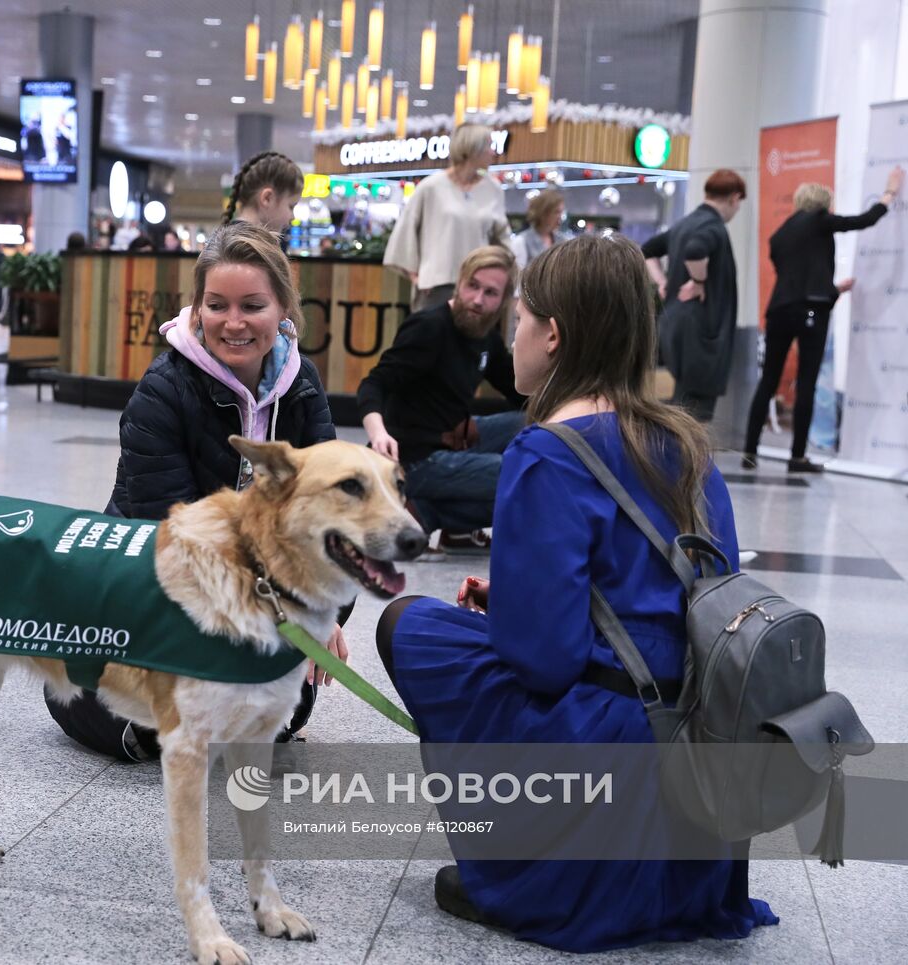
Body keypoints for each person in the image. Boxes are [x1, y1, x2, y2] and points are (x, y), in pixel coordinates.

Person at [375, 235, 777, 951]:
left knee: (411, 625)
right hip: (697, 744)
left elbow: (545, 662)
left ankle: (524, 861)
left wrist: (522, 609)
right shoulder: (688, 445)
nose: (515, 334)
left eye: (521, 316)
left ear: (553, 334)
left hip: (603, 742)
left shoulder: (545, 452)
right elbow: (697, 601)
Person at [44, 221, 345, 762]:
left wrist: (323, 618)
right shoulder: (162, 391)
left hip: (257, 599)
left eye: (252, 305)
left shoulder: (303, 385)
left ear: (283, 310)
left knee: (286, 706)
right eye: (216, 305)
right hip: (156, 585)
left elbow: (335, 516)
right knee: (108, 697)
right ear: (197, 308)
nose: (233, 323)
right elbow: (175, 541)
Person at [358, 245, 526, 546]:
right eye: (472, 286)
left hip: (454, 438)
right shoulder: (429, 328)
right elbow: (374, 383)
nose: (477, 300)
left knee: (534, 422)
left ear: (503, 301)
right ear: (459, 283)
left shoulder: (485, 335)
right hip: (414, 459)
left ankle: (430, 514)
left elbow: (517, 390)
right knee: (524, 476)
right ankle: (425, 511)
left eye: (490, 293)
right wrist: (378, 434)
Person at [743, 166, 903, 472]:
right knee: (807, 384)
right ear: (822, 204)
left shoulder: (781, 234)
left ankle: (749, 453)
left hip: (779, 311)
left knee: (768, 382)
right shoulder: (820, 221)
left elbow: (792, 275)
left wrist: (829, 289)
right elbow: (865, 220)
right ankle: (797, 457)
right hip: (811, 313)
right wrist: (890, 193)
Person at [642, 169, 747, 422]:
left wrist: (662, 283)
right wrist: (699, 281)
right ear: (734, 198)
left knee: (683, 405)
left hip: (678, 324)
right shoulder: (713, 227)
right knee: (692, 415)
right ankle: (681, 461)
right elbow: (695, 250)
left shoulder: (685, 224)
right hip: (700, 331)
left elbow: (647, 249)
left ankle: (675, 460)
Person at [384, 124, 509, 311]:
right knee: (429, 338)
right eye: (489, 145)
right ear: (472, 148)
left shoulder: (493, 190)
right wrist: (416, 277)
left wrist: (507, 274)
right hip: (436, 286)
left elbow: (502, 238)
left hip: (478, 288)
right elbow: (405, 232)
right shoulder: (431, 187)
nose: (494, 152)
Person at [222, 150, 304, 232]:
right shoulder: (248, 243)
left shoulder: (227, 239)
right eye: (291, 206)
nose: (293, 217)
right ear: (267, 198)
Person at [509, 189, 569, 270]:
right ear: (543, 213)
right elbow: (518, 277)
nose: (560, 217)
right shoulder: (521, 242)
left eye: (561, 212)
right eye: (556, 212)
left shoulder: (563, 241)